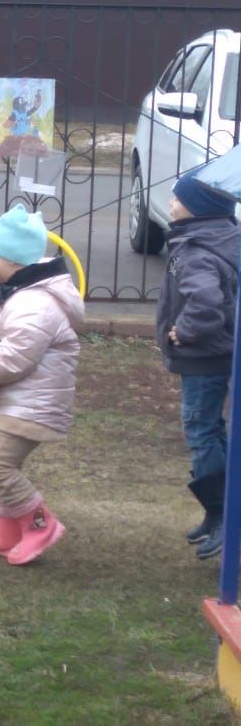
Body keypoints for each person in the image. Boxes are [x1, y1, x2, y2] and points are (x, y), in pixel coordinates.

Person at [0, 204, 84, 566]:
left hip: (34, 404)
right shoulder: (17, 292)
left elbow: (14, 359)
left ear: (13, 260)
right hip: (19, 400)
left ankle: (40, 524)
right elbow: (9, 341)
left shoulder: (34, 303)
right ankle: (6, 532)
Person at [155, 165, 240, 561]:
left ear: (198, 208)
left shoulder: (194, 252)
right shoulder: (224, 237)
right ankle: (217, 509)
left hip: (203, 356)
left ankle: (224, 512)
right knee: (213, 429)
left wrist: (183, 331)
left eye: (178, 198)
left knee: (201, 431)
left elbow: (206, 304)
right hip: (224, 351)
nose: (172, 202)